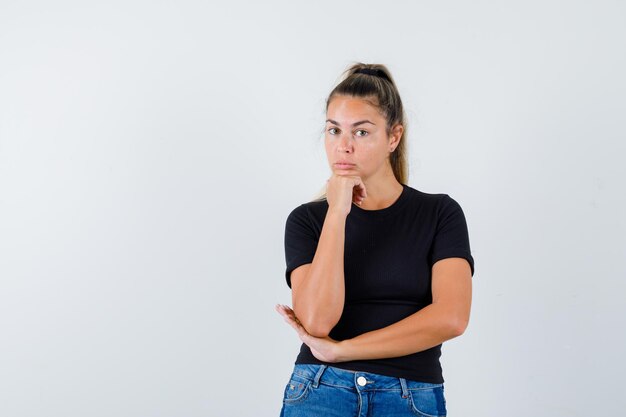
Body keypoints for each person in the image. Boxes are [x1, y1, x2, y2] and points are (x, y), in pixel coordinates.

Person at [275, 62, 475, 417]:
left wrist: (343, 350)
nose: (344, 146)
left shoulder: (440, 214)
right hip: (320, 389)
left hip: (409, 395)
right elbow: (318, 323)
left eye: (362, 132)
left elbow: (451, 318)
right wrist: (337, 211)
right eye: (334, 130)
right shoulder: (307, 220)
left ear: (393, 138)